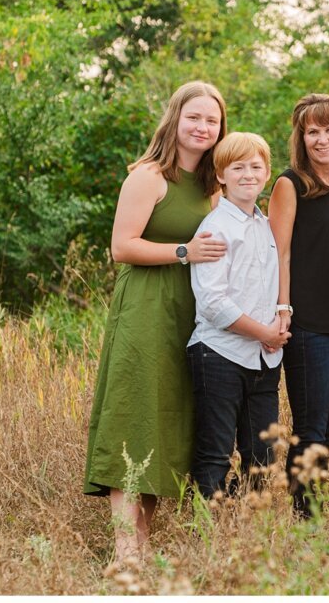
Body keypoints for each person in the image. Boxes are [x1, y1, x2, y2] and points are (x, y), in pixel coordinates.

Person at [84, 81, 229, 562]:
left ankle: (144, 550)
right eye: (195, 117)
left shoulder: (213, 188)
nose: (203, 127)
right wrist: (184, 251)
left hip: (191, 314)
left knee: (166, 422)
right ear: (175, 119)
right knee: (134, 418)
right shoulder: (150, 177)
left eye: (212, 120)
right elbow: (121, 246)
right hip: (147, 308)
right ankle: (127, 556)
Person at [269, 94, 329, 518]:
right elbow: (279, 253)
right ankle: (305, 520)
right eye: (313, 132)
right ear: (301, 138)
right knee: (309, 428)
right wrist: (283, 306)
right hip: (307, 324)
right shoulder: (290, 185)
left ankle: (313, 512)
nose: (322, 139)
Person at [187, 132, 290, 499]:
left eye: (255, 167)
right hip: (219, 354)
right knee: (214, 453)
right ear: (221, 176)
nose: (248, 174)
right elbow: (213, 303)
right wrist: (264, 331)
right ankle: (205, 534)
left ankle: (244, 530)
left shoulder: (265, 226)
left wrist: (282, 315)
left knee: (262, 458)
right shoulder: (216, 228)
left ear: (267, 174)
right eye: (237, 167)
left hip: (263, 358)